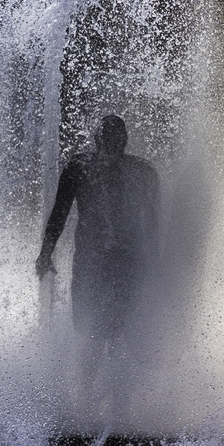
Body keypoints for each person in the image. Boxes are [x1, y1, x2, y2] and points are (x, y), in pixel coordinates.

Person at [36, 114, 159, 397]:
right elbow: (60, 213)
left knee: (112, 328)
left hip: (126, 260)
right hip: (94, 260)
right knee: (89, 325)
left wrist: (156, 265)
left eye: (116, 140)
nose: (111, 145)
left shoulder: (142, 172)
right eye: (107, 140)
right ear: (97, 141)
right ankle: (94, 392)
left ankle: (109, 395)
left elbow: (154, 224)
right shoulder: (81, 167)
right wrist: (45, 253)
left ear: (125, 142)